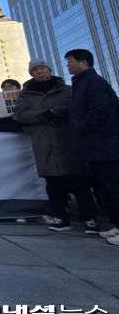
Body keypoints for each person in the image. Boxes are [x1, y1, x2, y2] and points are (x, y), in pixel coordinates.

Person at [14, 58, 98, 233]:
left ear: (49, 70)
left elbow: (75, 107)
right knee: (53, 183)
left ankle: (89, 218)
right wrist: (43, 116)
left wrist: (55, 112)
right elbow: (20, 114)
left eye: (42, 68)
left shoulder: (67, 89)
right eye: (35, 70)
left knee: (80, 181)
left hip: (68, 139)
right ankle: (60, 217)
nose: (39, 72)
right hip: (44, 141)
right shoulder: (25, 94)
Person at [64, 49, 119, 245]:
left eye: (70, 61)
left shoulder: (94, 82)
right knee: (106, 187)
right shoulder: (81, 83)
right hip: (95, 145)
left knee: (113, 185)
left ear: (84, 63)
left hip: (104, 143)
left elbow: (100, 111)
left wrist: (80, 127)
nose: (68, 65)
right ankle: (116, 225)